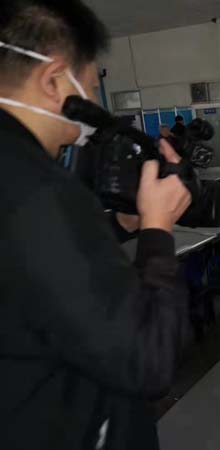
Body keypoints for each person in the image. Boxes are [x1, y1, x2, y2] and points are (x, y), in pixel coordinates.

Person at [0, 1, 193, 449]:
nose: (92, 105)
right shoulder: (39, 188)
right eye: (89, 88)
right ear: (54, 81)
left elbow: (34, 273)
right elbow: (149, 359)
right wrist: (158, 229)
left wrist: (124, 225)